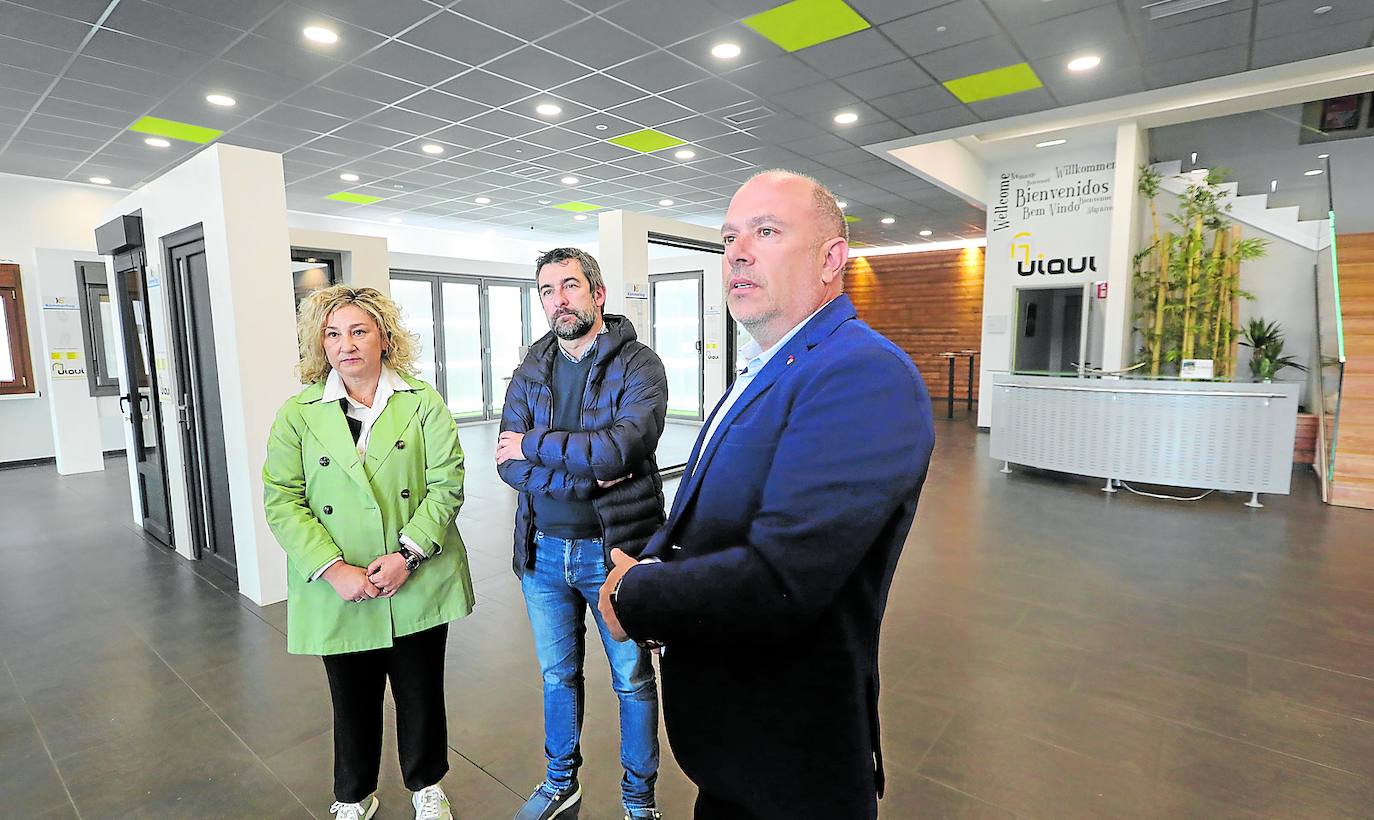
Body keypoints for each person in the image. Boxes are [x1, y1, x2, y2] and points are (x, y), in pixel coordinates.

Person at [598, 171, 936, 819]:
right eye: (730, 237)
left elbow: (782, 579)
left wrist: (636, 594)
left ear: (831, 259)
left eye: (768, 232)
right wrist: (655, 563)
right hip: (735, 752)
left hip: (791, 765)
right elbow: (714, 517)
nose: (738, 253)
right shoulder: (772, 365)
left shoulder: (863, 373)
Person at [263, 285, 475, 820]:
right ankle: (354, 794)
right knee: (350, 697)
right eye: (333, 334)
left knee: (420, 692)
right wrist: (334, 569)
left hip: (416, 575)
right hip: (342, 584)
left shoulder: (422, 403)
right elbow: (282, 498)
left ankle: (427, 786)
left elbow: (446, 483)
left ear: (385, 337)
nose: (346, 344)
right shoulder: (298, 413)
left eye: (359, 331)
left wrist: (408, 555)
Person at [496, 248, 668, 820]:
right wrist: (588, 477)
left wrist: (536, 446)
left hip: (614, 552)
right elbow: (507, 463)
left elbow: (621, 449)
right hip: (541, 552)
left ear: (597, 294)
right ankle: (559, 783)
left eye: (570, 285)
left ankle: (639, 800)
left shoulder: (640, 364)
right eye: (547, 290)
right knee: (557, 677)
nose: (558, 300)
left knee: (632, 679)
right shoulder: (531, 367)